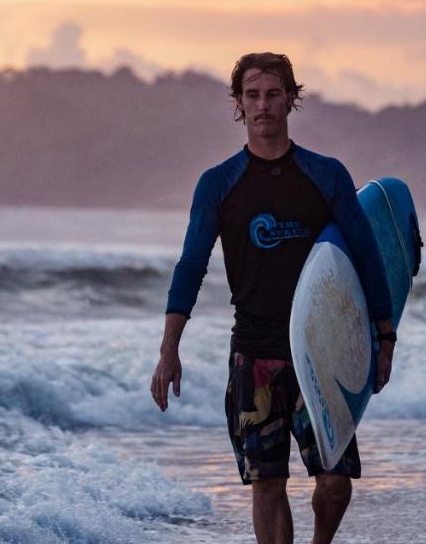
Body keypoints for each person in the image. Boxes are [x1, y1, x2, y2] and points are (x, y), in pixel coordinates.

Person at [150, 52, 396, 544]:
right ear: (239, 104)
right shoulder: (219, 184)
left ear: (291, 99)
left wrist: (384, 338)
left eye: (273, 94)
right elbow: (190, 267)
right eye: (253, 95)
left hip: (322, 352)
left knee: (334, 482)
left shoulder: (325, 175)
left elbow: (368, 259)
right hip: (255, 353)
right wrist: (168, 349)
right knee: (267, 484)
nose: (263, 105)